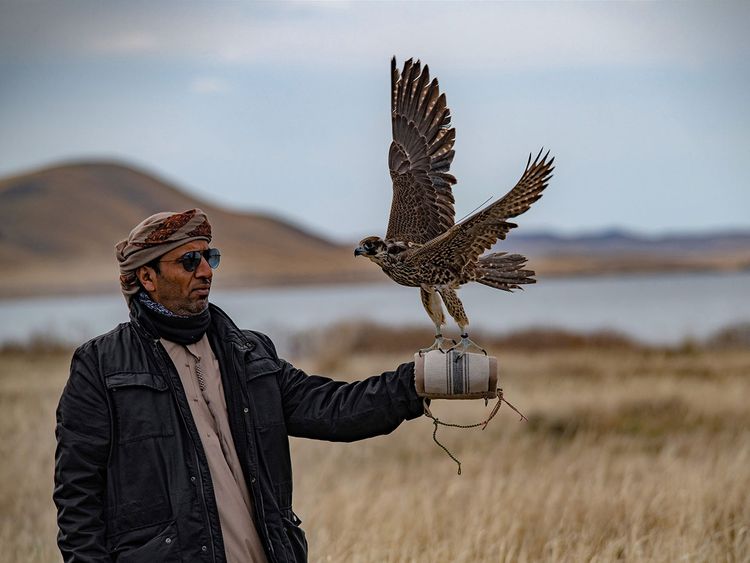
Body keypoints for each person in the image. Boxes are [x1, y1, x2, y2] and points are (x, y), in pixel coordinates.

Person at [53, 209, 424, 563]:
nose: (205, 271)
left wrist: (420, 380)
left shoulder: (249, 354)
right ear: (147, 277)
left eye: (209, 257)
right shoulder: (101, 366)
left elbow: (334, 409)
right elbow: (78, 501)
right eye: (188, 261)